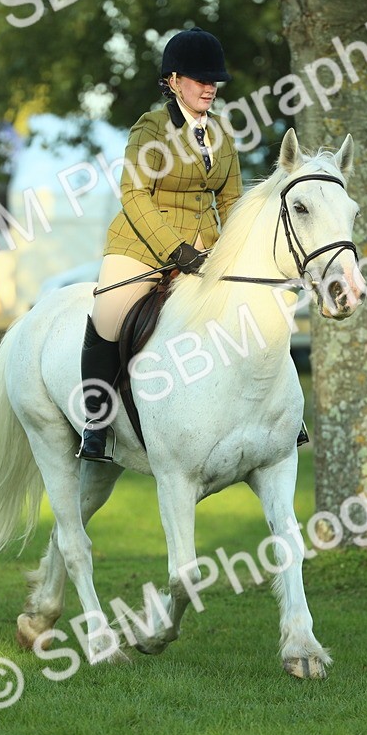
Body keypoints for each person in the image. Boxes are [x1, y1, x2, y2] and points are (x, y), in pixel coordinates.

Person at [77, 27, 243, 461]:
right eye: (199, 78)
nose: (210, 86)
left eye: (214, 80)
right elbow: (133, 195)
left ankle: (274, 416)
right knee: (108, 317)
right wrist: (175, 251)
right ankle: (94, 422)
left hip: (205, 249)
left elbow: (232, 200)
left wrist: (233, 248)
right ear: (172, 81)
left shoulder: (223, 133)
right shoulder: (149, 129)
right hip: (142, 246)